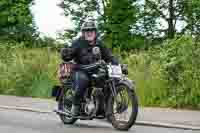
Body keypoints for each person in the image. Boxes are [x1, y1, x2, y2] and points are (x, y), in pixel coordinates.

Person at [61, 19, 119, 116]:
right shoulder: (78, 42)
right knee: (83, 81)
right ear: (83, 32)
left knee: (107, 80)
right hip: (80, 69)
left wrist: (118, 65)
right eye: (87, 31)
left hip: (94, 69)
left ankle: (105, 108)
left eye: (91, 31)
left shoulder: (100, 43)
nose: (89, 33)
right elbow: (69, 54)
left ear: (95, 32)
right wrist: (66, 54)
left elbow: (109, 56)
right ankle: (75, 106)